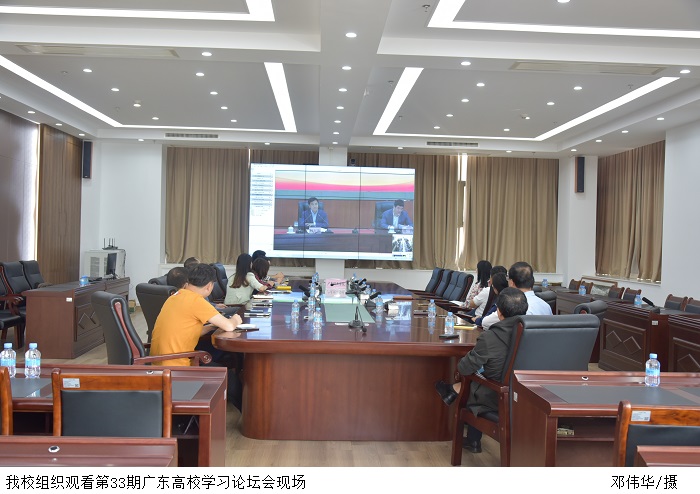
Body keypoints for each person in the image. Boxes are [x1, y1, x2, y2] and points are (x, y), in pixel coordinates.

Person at [434, 287, 528, 453]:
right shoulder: (535, 332)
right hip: (528, 396)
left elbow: (464, 368)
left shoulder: (491, 336)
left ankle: (453, 393)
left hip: (497, 398)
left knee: (473, 381)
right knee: (482, 376)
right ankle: (472, 438)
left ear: (499, 312)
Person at [150, 263, 242, 367]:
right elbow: (229, 326)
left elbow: (186, 331)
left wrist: (210, 327)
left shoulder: (175, 296)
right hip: (176, 367)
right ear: (209, 286)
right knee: (230, 371)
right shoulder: (196, 301)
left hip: (158, 363)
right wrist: (236, 319)